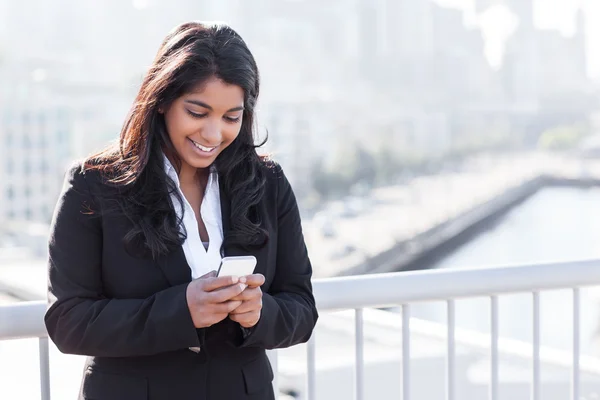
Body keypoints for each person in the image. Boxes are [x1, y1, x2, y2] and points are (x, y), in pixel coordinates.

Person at [44, 21, 318, 400]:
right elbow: (68, 321)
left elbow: (302, 307)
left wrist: (260, 313)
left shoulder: (267, 184)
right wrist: (181, 310)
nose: (213, 134)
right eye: (197, 111)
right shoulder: (95, 184)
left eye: (230, 117)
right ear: (162, 100)